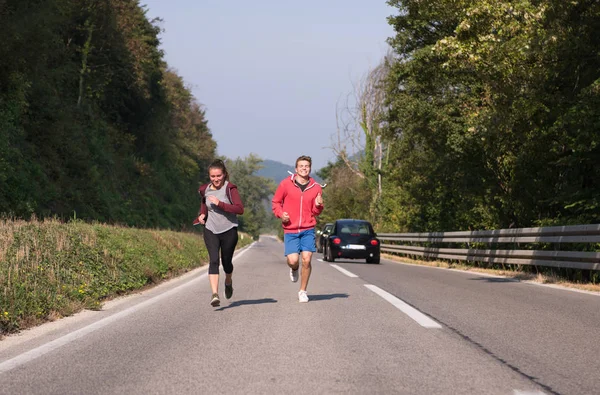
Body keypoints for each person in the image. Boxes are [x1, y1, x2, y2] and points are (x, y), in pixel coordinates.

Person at [272, 155, 324, 303]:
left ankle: (302, 291)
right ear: (296, 169)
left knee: (307, 260)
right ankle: (294, 269)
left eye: (306, 166)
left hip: (308, 228)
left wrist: (319, 205)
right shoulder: (285, 185)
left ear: (310, 168)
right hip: (291, 229)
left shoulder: (316, 187)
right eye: (301, 166)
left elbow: (315, 211)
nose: (304, 168)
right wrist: (281, 214)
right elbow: (276, 202)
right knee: (294, 261)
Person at [196, 159, 244, 307]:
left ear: (224, 175)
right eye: (212, 176)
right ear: (209, 176)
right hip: (211, 229)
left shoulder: (230, 189)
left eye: (218, 176)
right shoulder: (205, 189)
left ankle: (228, 281)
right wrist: (202, 215)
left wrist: (221, 204)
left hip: (229, 230)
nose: (216, 179)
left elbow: (239, 209)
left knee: (227, 262)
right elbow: (204, 204)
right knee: (214, 260)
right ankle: (215, 294)